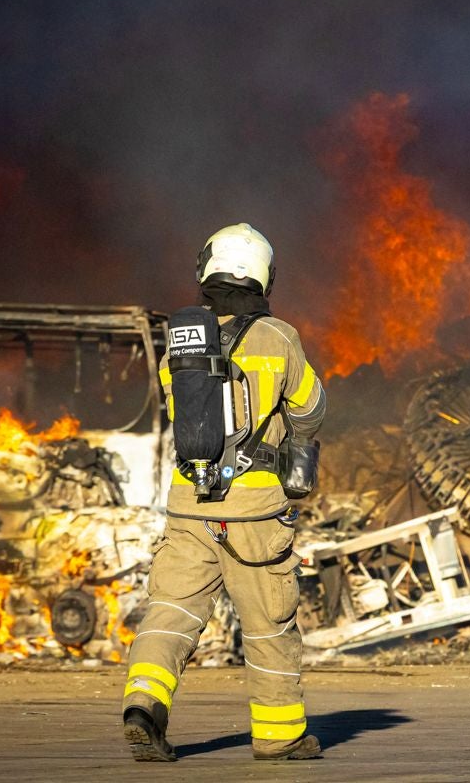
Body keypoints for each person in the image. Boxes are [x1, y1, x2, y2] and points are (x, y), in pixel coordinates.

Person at [122, 223, 327, 762]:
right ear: (263, 276)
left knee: (171, 610)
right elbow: (311, 409)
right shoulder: (278, 337)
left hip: (189, 506)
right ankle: (279, 735)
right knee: (269, 625)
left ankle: (143, 703)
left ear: (207, 269)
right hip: (254, 514)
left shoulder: (181, 339)